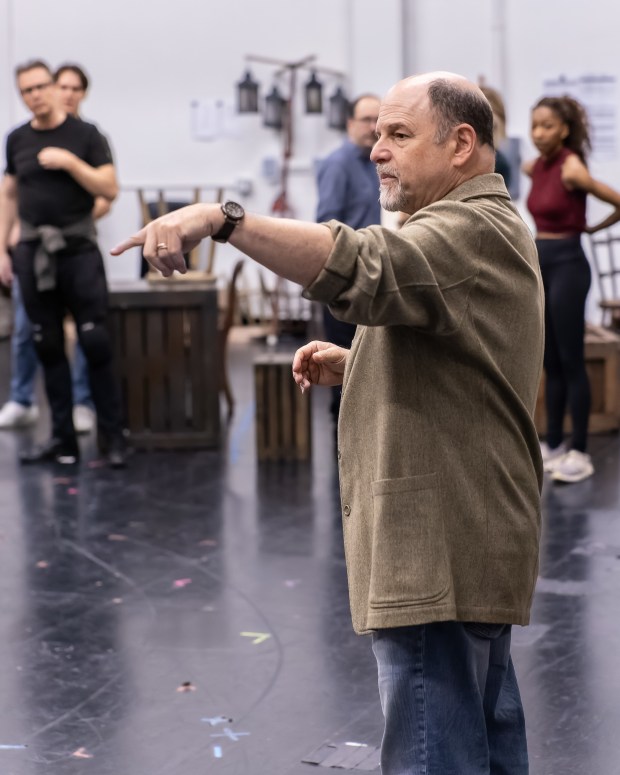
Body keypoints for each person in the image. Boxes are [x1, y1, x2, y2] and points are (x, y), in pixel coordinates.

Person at [113, 72, 544, 774]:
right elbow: (472, 354)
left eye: (398, 135)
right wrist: (364, 360)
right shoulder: (482, 225)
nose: (377, 150)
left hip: (439, 542)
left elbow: (366, 266)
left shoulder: (465, 227)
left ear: (462, 143)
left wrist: (224, 220)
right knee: (485, 741)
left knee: (435, 752)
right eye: (376, 135)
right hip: (469, 531)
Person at [0, 59, 126, 467]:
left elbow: (109, 186)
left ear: (56, 88)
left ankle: (113, 437)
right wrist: (2, 248)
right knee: (47, 345)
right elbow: (9, 195)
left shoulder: (86, 136)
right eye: (26, 90)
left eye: (40, 87)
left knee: (95, 343)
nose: (34, 95)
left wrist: (71, 163)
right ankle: (62, 441)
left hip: (78, 251)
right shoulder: (16, 139)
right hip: (33, 254)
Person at [524, 95, 620, 484]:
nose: (538, 133)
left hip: (568, 265)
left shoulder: (572, 167)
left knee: (571, 359)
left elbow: (616, 201)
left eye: (547, 125)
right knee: (549, 361)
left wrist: (591, 230)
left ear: (564, 129)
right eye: (534, 126)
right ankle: (555, 443)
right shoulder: (535, 168)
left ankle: (580, 451)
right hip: (540, 263)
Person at [315, 94, 381, 419]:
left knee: (363, 365)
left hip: (368, 277)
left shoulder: (373, 163)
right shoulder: (338, 165)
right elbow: (326, 224)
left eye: (377, 120)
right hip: (343, 280)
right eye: (367, 120)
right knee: (346, 371)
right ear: (350, 124)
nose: (373, 127)